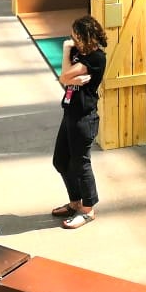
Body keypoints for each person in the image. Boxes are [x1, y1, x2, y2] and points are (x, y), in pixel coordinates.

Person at [51, 15, 108, 229]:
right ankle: (75, 201)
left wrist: (67, 72)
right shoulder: (77, 53)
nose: (72, 38)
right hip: (69, 113)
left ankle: (88, 209)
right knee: (60, 160)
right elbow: (63, 78)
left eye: (75, 35)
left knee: (81, 163)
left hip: (85, 117)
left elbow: (65, 75)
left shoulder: (96, 58)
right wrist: (69, 76)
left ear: (85, 36)